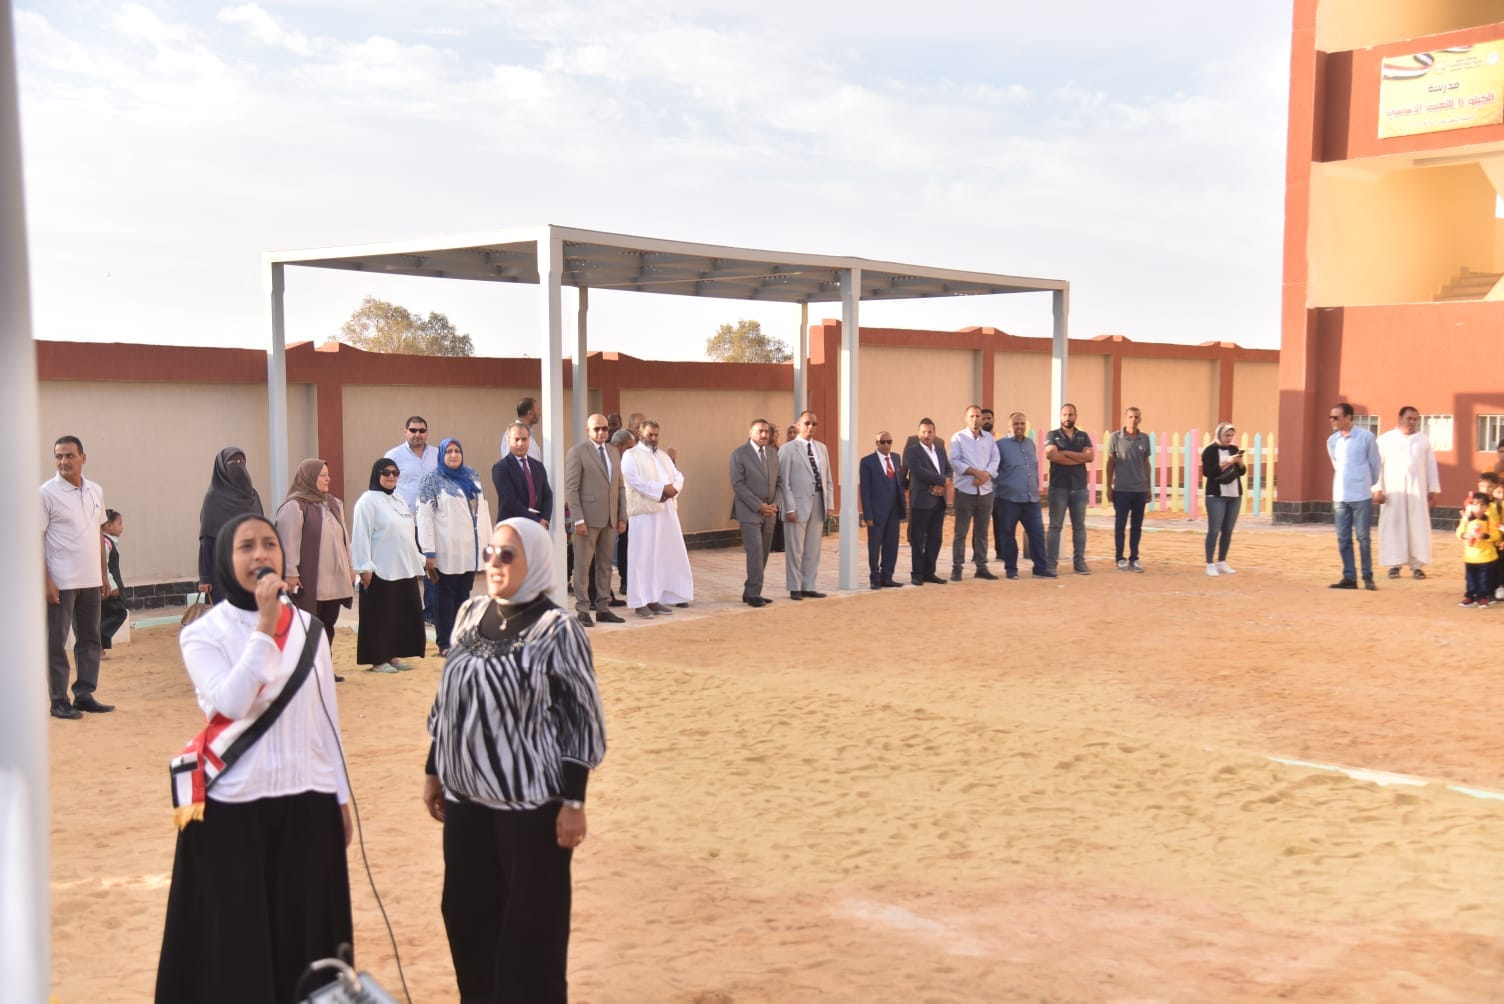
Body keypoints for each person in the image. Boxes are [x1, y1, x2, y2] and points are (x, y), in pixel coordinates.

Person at [155, 513, 353, 1004]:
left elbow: (326, 719)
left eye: (270, 544)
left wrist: (340, 797)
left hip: (307, 801)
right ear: (226, 559)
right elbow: (230, 703)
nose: (261, 554)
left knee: (304, 939)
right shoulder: (203, 633)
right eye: (246, 546)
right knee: (237, 947)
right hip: (233, 809)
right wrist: (265, 627)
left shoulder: (309, 628)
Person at [422, 518, 606, 1003]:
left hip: (531, 808)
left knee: (530, 930)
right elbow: (450, 697)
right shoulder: (469, 612)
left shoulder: (558, 629)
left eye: (508, 554)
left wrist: (574, 801)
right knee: (465, 915)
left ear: (537, 561)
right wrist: (434, 768)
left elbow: (581, 718)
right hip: (465, 803)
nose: (495, 563)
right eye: (490, 552)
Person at [41, 435, 113, 720]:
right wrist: (46, 580)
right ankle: (59, 700)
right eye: (58, 456)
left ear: (83, 457)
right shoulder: (46, 494)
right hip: (61, 582)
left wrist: (103, 573)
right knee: (56, 642)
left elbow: (98, 533)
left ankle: (84, 694)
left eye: (69, 455)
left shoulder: (96, 490)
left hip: (91, 579)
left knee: (90, 638)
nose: (63, 461)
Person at [417, 438, 492, 657]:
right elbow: (424, 516)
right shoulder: (432, 480)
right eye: (448, 451)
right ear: (441, 455)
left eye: (457, 451)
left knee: (463, 596)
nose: (453, 455)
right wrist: (428, 550)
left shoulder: (472, 475)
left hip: (469, 549)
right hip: (446, 549)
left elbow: (483, 511)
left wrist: (488, 545)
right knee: (444, 597)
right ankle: (445, 643)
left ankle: (461, 640)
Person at [350, 459, 426, 673]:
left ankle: (393, 655)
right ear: (377, 474)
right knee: (380, 615)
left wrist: (418, 558)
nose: (391, 476)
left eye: (395, 472)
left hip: (404, 567)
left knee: (399, 614)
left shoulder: (398, 499)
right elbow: (361, 535)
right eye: (386, 472)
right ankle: (378, 659)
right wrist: (364, 567)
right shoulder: (367, 501)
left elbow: (407, 533)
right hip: (379, 569)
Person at [275, 459, 356, 643]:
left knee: (328, 625)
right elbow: (287, 542)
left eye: (328, 474)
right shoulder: (294, 507)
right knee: (308, 626)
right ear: (309, 478)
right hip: (312, 581)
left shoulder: (334, 503)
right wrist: (290, 572)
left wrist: (350, 566)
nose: (328, 479)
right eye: (322, 475)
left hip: (335, 580)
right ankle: (309, 661)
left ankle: (325, 660)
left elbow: (344, 538)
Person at [621, 420, 693, 617]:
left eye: (656, 435)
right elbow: (634, 481)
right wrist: (661, 490)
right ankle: (639, 602)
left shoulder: (662, 456)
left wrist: (673, 490)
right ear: (640, 434)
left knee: (658, 556)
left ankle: (653, 599)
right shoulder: (631, 455)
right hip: (643, 513)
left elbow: (679, 477)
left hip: (665, 511)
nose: (653, 438)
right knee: (641, 557)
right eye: (649, 434)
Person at [565, 414, 627, 626]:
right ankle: (582, 609)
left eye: (604, 428)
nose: (601, 432)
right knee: (583, 566)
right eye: (596, 429)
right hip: (587, 520)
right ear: (588, 430)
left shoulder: (613, 452)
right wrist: (578, 520)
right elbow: (571, 489)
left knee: (605, 565)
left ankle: (603, 607)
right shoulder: (577, 452)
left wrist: (621, 516)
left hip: (610, 519)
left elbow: (620, 486)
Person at [1376, 406, 1440, 580]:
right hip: (1392, 493)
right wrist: (1377, 489)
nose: (1412, 422)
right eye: (1409, 418)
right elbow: (1377, 467)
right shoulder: (1385, 440)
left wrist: (1433, 490)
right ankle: (1394, 564)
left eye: (1415, 419)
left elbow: (1431, 467)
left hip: (1417, 492)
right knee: (1393, 526)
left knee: (1417, 527)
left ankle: (1417, 565)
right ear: (1400, 418)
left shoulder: (1423, 441)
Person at [386, 416, 440, 621]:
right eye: (413, 430)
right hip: (406, 522)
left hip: (433, 522)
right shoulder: (394, 456)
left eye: (422, 430)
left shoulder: (437, 454)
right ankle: (406, 613)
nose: (418, 434)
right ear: (405, 431)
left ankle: (431, 612)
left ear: (427, 432)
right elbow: (387, 488)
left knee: (431, 566)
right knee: (406, 568)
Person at [1327, 402, 1382, 590]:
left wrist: (1366, 483)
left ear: (1349, 417)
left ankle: (1367, 576)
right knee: (1343, 538)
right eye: (1331, 417)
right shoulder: (1332, 441)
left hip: (1361, 495)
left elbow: (1375, 464)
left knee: (1363, 538)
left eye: (1336, 417)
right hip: (1340, 496)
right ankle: (1349, 577)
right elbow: (1336, 464)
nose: (1332, 420)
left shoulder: (1366, 437)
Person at [779, 410, 834, 600]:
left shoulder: (822, 448)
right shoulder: (788, 449)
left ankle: (808, 585)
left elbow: (828, 479)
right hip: (797, 505)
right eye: (807, 423)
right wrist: (789, 507)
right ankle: (794, 586)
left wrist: (829, 504)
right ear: (798, 425)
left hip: (818, 502)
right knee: (795, 549)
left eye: (814, 424)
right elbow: (783, 482)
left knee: (813, 548)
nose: (811, 427)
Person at [197, 446, 264, 600]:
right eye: (233, 463)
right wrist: (205, 577)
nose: (238, 466)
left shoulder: (253, 496)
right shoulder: (213, 498)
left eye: (241, 462)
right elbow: (206, 540)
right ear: (221, 469)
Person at [995, 412, 1054, 579]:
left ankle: (1040, 568)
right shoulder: (1000, 445)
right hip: (1008, 500)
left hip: (1031, 499)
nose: (1019, 427)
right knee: (1008, 535)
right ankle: (1011, 570)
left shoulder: (1030, 444)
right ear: (1009, 426)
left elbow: (1033, 467)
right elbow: (993, 469)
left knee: (1037, 534)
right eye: (1016, 424)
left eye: (1022, 423)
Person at [729, 418, 782, 607]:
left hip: (770, 513)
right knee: (755, 553)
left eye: (767, 431)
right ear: (750, 433)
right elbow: (737, 484)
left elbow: (780, 482)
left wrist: (775, 504)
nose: (764, 435)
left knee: (764, 553)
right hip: (749, 511)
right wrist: (759, 506)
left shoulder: (773, 454)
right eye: (760, 431)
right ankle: (753, 593)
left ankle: (752, 590)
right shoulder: (739, 454)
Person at [948, 405, 999, 581]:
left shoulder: (989, 439)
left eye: (978, 416)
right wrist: (975, 472)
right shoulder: (958, 438)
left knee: (982, 532)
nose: (975, 419)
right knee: (961, 532)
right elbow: (955, 461)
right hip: (965, 491)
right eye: (972, 416)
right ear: (966, 418)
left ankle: (981, 566)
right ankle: (957, 567)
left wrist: (985, 475)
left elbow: (996, 459)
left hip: (985, 492)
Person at [1044, 403, 1094, 575]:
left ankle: (1079, 563)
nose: (1067, 418)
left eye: (1071, 414)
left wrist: (1065, 453)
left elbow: (1090, 456)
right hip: (1059, 487)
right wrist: (1079, 458)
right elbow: (1051, 454)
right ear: (1061, 416)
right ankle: (1051, 564)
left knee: (1079, 527)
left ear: (1076, 416)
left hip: (1079, 488)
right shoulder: (1053, 435)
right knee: (1055, 526)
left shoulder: (1083, 436)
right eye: (1065, 415)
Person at [904, 417, 952, 585]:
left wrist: (945, 481)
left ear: (934, 433)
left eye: (930, 432)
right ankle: (917, 573)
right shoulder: (912, 451)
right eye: (924, 432)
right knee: (918, 539)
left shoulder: (940, 450)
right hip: (921, 500)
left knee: (935, 538)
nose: (927, 435)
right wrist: (942, 481)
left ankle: (929, 572)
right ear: (918, 433)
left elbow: (948, 469)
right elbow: (918, 472)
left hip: (939, 501)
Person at [1105, 406, 1152, 573]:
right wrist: (1108, 486)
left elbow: (1146, 463)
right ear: (1125, 418)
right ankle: (1120, 558)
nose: (1133, 420)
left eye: (1136, 417)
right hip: (1121, 490)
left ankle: (1134, 558)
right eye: (1130, 417)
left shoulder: (1144, 439)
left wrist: (1148, 487)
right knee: (1120, 525)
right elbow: (1110, 462)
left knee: (1137, 526)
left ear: (1140, 419)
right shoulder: (1115, 438)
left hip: (1139, 490)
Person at [859, 430, 906, 589]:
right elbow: (865, 490)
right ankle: (875, 577)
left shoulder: (896, 458)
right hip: (876, 512)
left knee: (891, 544)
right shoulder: (867, 462)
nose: (886, 445)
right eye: (882, 442)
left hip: (894, 510)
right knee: (874, 545)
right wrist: (868, 514)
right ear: (877, 443)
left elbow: (898, 483)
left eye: (889, 441)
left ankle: (887, 576)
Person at [1202, 422, 1247, 577]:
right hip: (1216, 496)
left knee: (1227, 530)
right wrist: (1227, 462)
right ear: (1219, 435)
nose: (1229, 438)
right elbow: (1208, 472)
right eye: (1226, 435)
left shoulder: (1233, 449)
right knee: (1214, 530)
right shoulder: (1210, 451)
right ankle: (1210, 563)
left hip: (1234, 495)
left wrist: (1239, 461)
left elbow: (1241, 472)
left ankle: (1222, 561)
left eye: (1231, 435)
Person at [493, 422, 553, 527]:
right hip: (512, 526)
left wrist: (545, 519)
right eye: (516, 439)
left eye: (524, 439)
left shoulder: (538, 466)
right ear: (508, 440)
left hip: (537, 526)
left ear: (529, 440)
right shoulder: (501, 468)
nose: (520, 443)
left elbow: (547, 495)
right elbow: (509, 501)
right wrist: (536, 521)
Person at [1456, 494, 1501, 608]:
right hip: (1470, 556)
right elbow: (1459, 531)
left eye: (1482, 505)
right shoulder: (1466, 519)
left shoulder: (1489, 519)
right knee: (1470, 578)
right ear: (1470, 506)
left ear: (1486, 507)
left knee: (1484, 579)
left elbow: (1496, 534)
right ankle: (1470, 596)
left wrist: (1485, 536)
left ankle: (1483, 597)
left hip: (1486, 556)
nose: (1478, 508)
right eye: (1475, 504)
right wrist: (1465, 535)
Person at [101, 509, 128, 652]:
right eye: (119, 524)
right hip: (108, 587)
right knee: (120, 612)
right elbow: (104, 565)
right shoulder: (106, 544)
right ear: (108, 525)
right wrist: (112, 585)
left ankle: (100, 646)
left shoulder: (110, 542)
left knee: (104, 615)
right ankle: (98, 637)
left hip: (108, 586)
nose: (122, 527)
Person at [504, 396, 544, 464]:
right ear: (530, 413)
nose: (540, 413)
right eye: (538, 410)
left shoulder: (530, 435)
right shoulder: (511, 435)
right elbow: (509, 463)